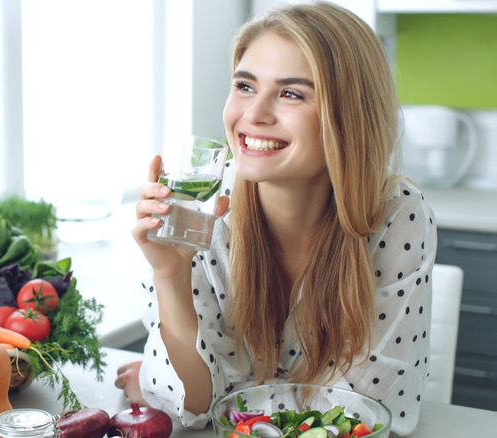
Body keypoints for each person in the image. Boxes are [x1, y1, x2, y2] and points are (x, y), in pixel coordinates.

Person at [114, 2, 437, 435]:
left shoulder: (397, 214)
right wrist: (170, 275)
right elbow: (192, 410)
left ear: (349, 116)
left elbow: (358, 416)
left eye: (291, 93)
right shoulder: (204, 207)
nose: (254, 114)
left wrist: (221, 389)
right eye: (245, 86)